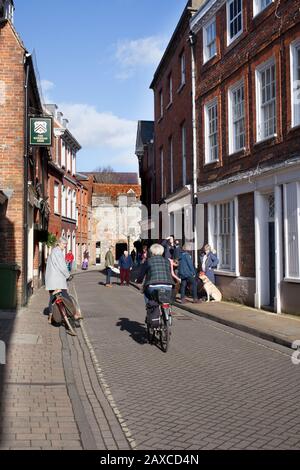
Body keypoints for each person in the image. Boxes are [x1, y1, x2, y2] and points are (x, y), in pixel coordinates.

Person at [45, 237, 81, 323]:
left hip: (50, 280)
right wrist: (67, 275)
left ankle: (50, 317)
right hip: (57, 280)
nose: (65, 246)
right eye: (64, 244)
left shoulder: (53, 251)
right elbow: (62, 266)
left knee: (52, 298)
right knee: (66, 296)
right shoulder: (58, 252)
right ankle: (74, 314)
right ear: (60, 243)